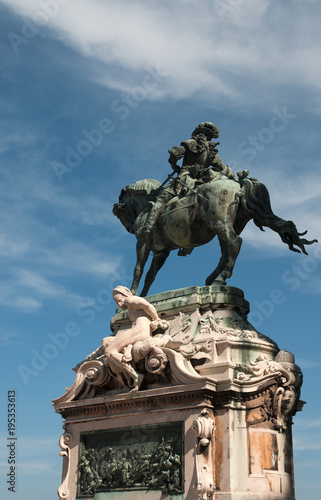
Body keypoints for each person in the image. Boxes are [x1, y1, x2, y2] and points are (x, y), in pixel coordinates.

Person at [139, 121, 237, 238]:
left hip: (185, 178)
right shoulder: (212, 151)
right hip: (202, 181)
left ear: (197, 133)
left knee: (162, 198)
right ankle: (188, 247)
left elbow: (175, 153)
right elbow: (223, 168)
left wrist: (174, 165)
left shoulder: (191, 143)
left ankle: (148, 225)